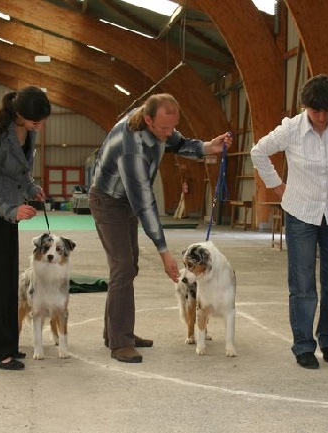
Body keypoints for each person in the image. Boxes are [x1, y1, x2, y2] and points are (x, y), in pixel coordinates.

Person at [89, 93, 232, 363]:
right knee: (122, 267)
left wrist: (206, 147)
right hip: (108, 202)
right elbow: (144, 202)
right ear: (147, 120)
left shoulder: (160, 129)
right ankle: (120, 343)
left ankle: (116, 332)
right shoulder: (130, 146)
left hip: (125, 201)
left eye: (172, 126)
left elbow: (179, 142)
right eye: (163, 128)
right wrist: (164, 252)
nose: (168, 133)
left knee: (129, 266)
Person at [250, 74, 328, 370]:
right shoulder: (291, 128)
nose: (320, 118)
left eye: (326, 111)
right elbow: (259, 151)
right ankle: (304, 345)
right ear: (304, 107)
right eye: (314, 111)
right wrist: (277, 185)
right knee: (303, 281)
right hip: (300, 213)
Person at [0, 86, 51, 371]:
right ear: (18, 114)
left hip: (9, 216)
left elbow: (20, 171)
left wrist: (31, 188)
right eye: (34, 120)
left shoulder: (28, 131)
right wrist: (11, 209)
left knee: (7, 283)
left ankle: (8, 344)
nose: (39, 125)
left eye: (41, 120)